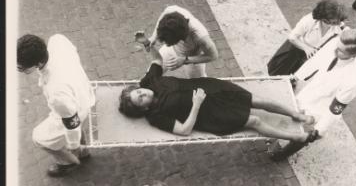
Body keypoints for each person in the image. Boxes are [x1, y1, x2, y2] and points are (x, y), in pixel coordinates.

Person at [119, 60, 318, 145]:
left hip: (212, 88)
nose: (143, 93)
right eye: (140, 99)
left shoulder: (149, 81)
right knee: (254, 121)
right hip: (209, 113)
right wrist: (196, 104)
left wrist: (147, 43)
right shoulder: (155, 116)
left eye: (138, 91)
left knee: (258, 101)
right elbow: (184, 130)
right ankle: (294, 137)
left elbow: (156, 60)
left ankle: (295, 114)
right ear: (143, 108)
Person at [271, 28, 356, 160]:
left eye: (341, 51)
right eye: (337, 46)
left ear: (353, 55)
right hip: (310, 93)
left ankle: (282, 154)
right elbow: (316, 60)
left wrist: (319, 130)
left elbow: (335, 109)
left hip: (319, 110)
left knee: (302, 136)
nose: (335, 50)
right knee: (291, 118)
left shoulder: (353, 80)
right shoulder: (335, 43)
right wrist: (297, 77)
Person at [17, 34, 95, 177]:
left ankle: (68, 161)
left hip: (76, 108)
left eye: (24, 68)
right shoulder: (57, 40)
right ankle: (84, 150)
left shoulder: (57, 94)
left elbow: (72, 122)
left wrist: (73, 146)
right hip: (83, 92)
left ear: (39, 64)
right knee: (78, 126)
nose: (22, 70)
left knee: (39, 138)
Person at [267, 0, 347, 75]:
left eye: (336, 22)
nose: (333, 25)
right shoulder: (309, 21)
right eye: (330, 22)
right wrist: (306, 48)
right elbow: (292, 37)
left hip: (310, 56)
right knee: (279, 72)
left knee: (297, 75)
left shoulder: (337, 25)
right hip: (294, 51)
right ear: (322, 18)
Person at [136, 4, 218, 78]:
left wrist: (184, 60)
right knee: (151, 75)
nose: (164, 43)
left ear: (181, 39)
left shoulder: (201, 37)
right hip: (171, 50)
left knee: (198, 84)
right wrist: (153, 37)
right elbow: (163, 18)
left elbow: (213, 56)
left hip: (192, 56)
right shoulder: (171, 11)